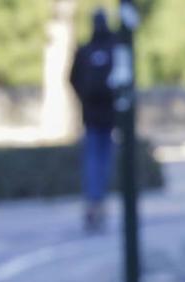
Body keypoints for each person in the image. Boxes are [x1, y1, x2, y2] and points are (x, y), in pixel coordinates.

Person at [68, 9, 116, 233]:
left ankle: (94, 202)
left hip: (91, 115)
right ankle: (97, 203)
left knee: (93, 161)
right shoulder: (111, 49)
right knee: (101, 160)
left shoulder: (86, 50)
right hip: (105, 115)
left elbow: (72, 79)